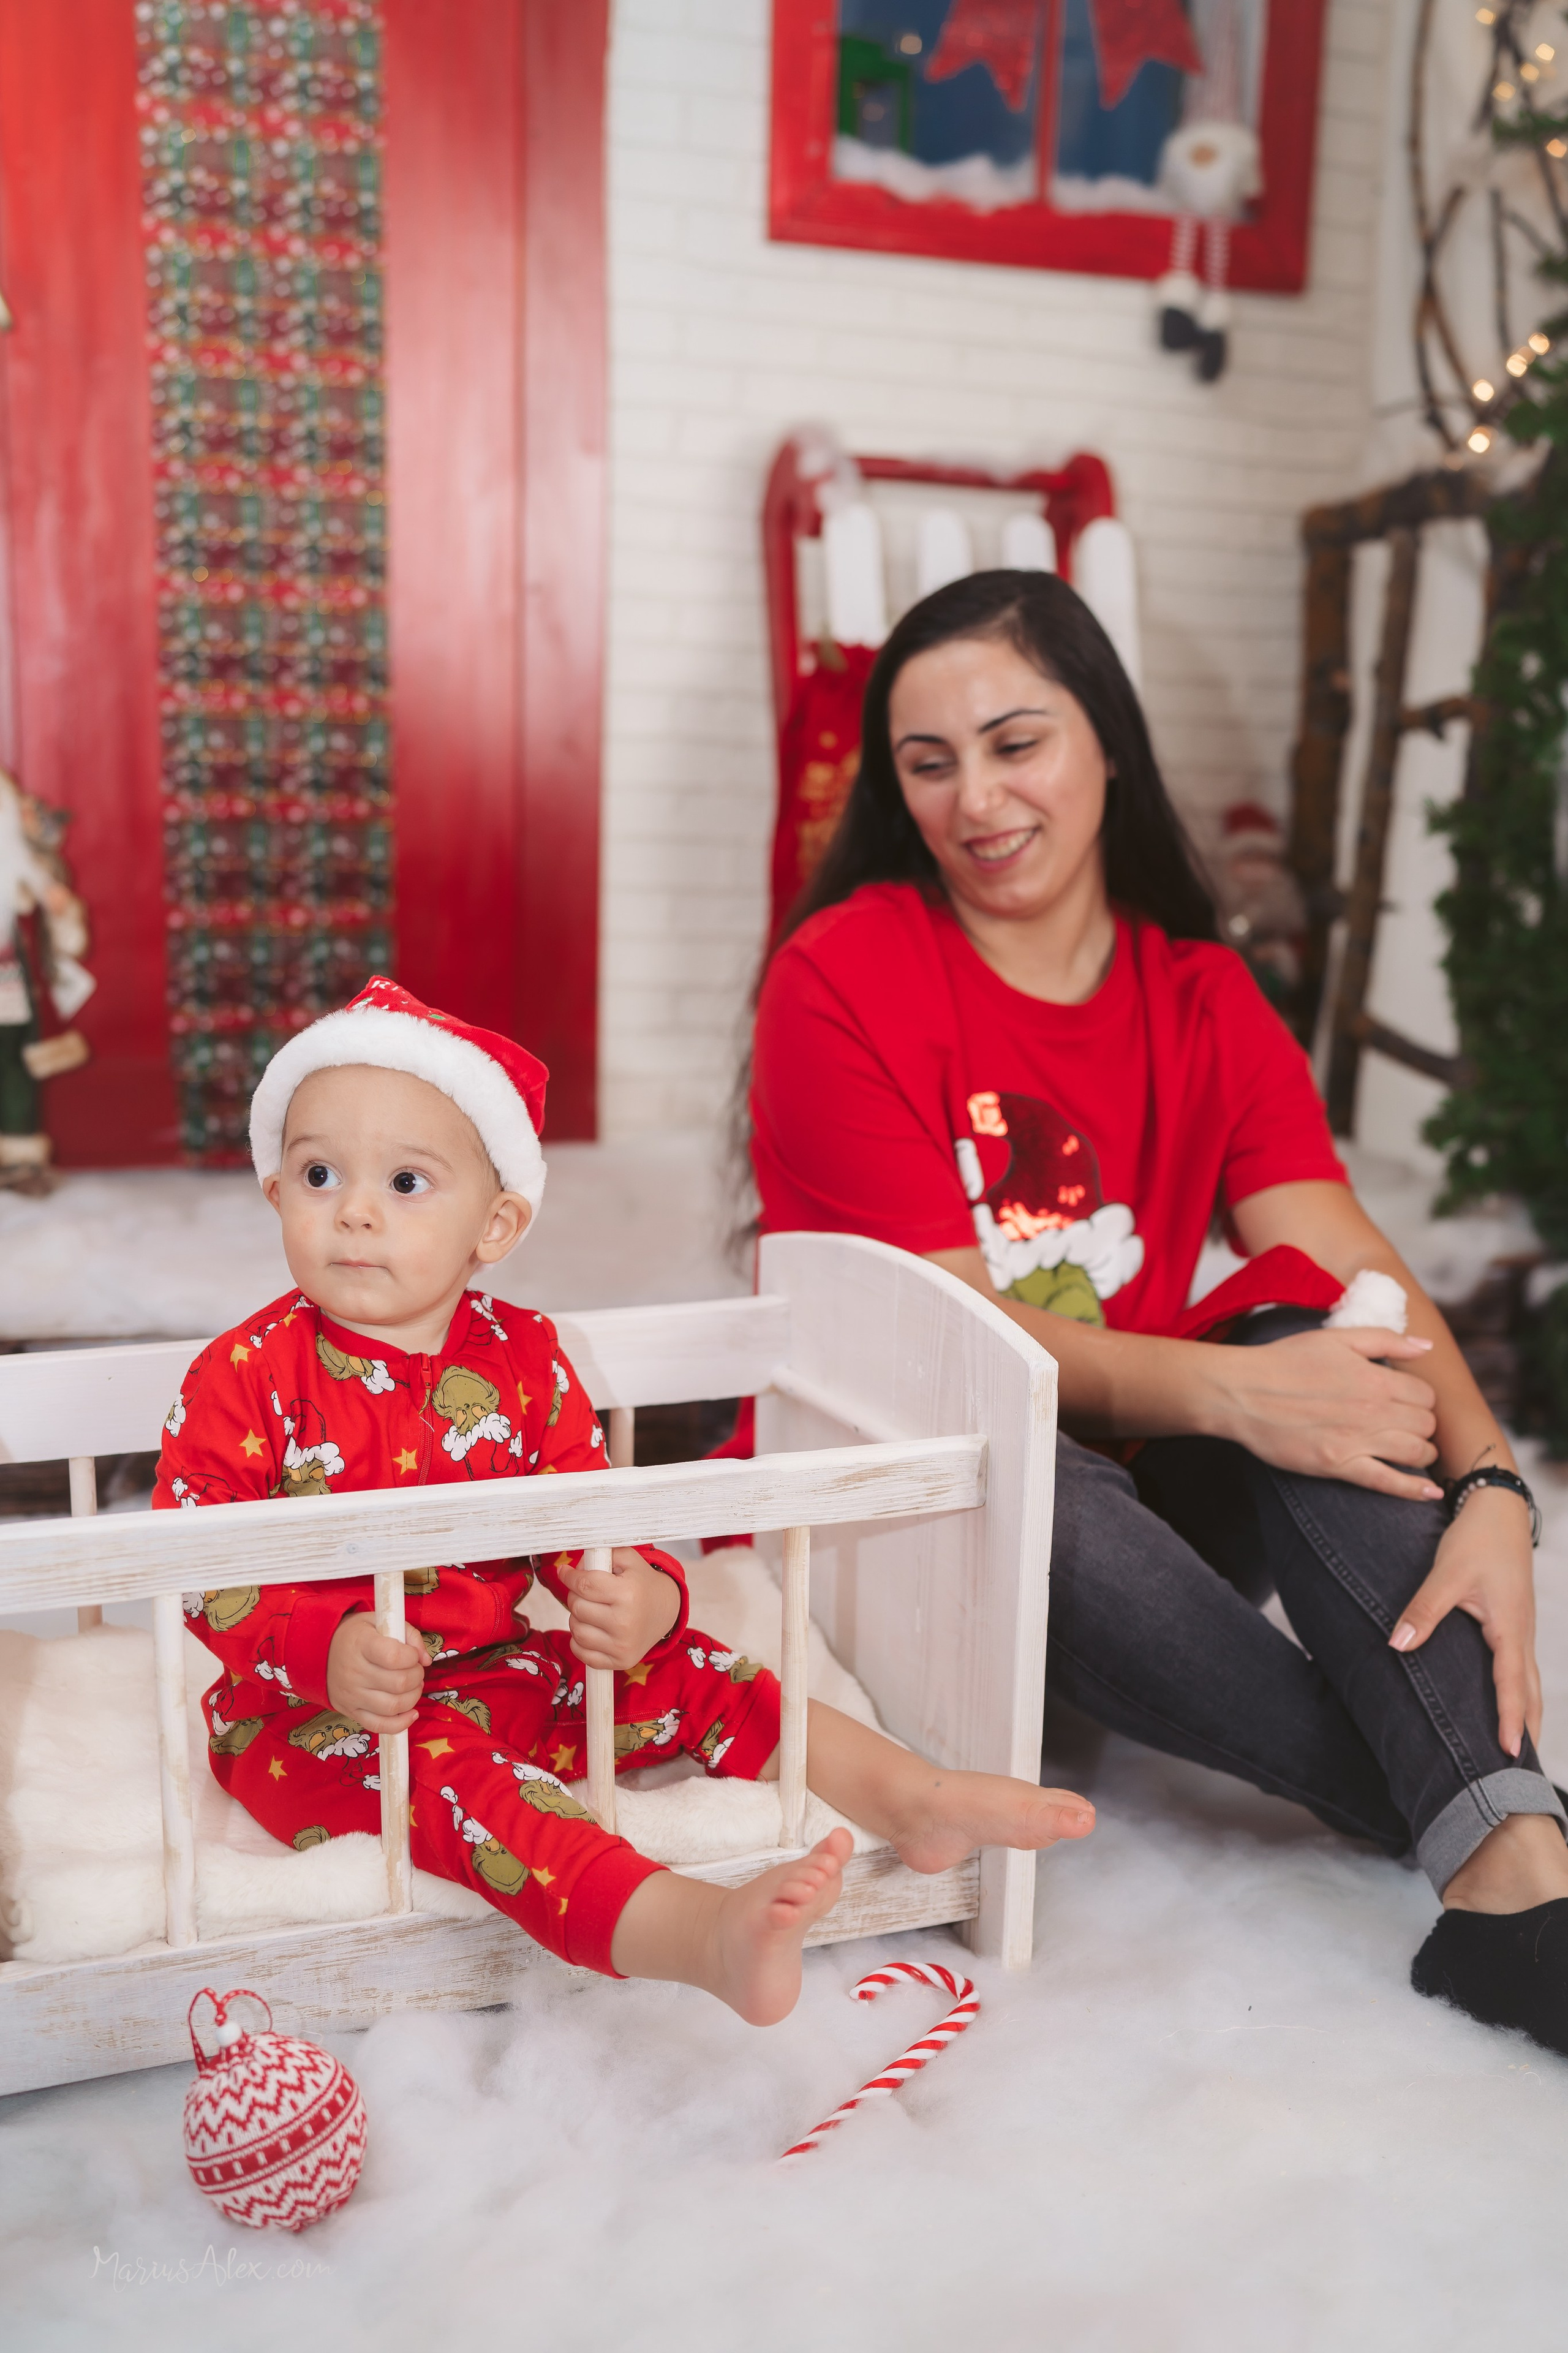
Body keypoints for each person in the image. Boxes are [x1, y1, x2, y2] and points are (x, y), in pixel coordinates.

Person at [749, 568, 1568, 2055]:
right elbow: (953, 1339)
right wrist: (1229, 1396)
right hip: (926, 1508)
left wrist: (1496, 1484)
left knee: (1299, 1334)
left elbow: (1339, 1253)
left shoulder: (1197, 993)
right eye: (926, 765)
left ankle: (1508, 1875)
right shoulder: (840, 975)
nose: (973, 800)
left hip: (1141, 1506)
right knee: (1034, 1458)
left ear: (1104, 743)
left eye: (1016, 742)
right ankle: (1480, 1819)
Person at [156, 975, 1093, 2026]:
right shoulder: (244, 1373)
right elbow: (203, 1568)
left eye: (407, 1182)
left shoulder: (524, 1357)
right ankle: (695, 1931)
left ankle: (909, 1798)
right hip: (318, 1718)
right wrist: (326, 1649)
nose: (357, 1210)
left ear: (495, 1224)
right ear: (278, 1193)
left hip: (501, 1672)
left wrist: (638, 1591)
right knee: (467, 1785)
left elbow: (586, 1511)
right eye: (319, 1172)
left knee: (691, 1666)